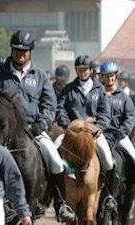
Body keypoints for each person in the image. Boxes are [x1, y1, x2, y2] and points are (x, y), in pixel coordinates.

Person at [0, 29, 75, 223]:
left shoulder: (40, 75)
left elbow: (49, 105)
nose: (20, 54)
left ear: (31, 51)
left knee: (56, 161)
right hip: (3, 131)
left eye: (24, 50)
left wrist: (40, 125)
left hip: (33, 130)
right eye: (17, 49)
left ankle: (60, 204)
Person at [55, 55, 116, 210]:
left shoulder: (99, 90)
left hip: (93, 133)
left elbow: (105, 112)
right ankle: (56, 195)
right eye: (79, 70)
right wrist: (68, 125)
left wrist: (97, 128)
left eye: (85, 69)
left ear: (91, 70)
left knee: (108, 160)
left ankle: (109, 195)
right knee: (54, 153)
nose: (82, 72)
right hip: (72, 133)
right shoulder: (69, 89)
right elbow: (60, 109)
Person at [99, 61, 135, 167]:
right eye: (106, 76)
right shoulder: (97, 95)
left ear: (116, 76)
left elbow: (131, 117)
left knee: (133, 157)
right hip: (100, 135)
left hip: (119, 136)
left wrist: (122, 131)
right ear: (102, 77)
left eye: (111, 76)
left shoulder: (124, 97)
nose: (109, 79)